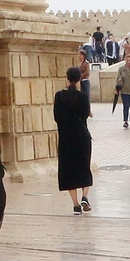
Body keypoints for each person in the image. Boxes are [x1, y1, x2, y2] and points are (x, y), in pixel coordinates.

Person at [54, 67, 93, 214]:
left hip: (66, 137)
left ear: (67, 78)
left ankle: (76, 204)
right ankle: (85, 196)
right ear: (78, 80)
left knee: (68, 170)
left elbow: (57, 117)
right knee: (84, 166)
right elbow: (85, 115)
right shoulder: (83, 97)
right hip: (82, 136)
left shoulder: (59, 96)